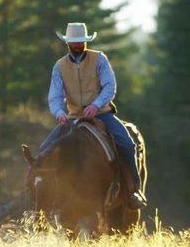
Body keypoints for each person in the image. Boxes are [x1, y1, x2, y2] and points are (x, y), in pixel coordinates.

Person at [41, 22, 147, 210]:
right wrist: (59, 113)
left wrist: (96, 105)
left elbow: (109, 86)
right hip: (72, 118)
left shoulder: (99, 59)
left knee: (128, 144)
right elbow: (55, 96)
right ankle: (45, 199)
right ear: (67, 44)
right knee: (44, 150)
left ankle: (133, 190)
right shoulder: (59, 67)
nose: (77, 45)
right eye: (73, 42)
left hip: (102, 114)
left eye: (80, 42)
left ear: (85, 42)